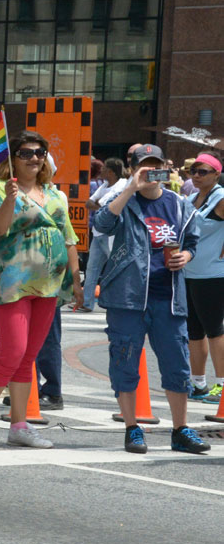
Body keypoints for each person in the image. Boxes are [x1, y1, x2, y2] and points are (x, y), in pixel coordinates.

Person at [0, 131, 84, 450]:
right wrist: (9, 200)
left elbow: (68, 237)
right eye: (27, 152)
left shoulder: (55, 194)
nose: (35, 158)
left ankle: (19, 425)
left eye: (40, 152)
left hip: (49, 283)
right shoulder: (0, 189)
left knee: (28, 355)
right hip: (10, 283)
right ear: (13, 158)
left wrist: (76, 277)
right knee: (11, 352)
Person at [93, 144, 210, 454]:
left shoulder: (179, 204)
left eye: (156, 165)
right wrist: (131, 187)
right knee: (125, 360)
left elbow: (192, 242)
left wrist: (185, 255)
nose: (151, 171)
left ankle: (180, 429)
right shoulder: (124, 200)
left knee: (177, 363)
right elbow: (101, 224)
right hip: (127, 297)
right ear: (133, 168)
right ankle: (132, 427)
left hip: (169, 297)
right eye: (145, 166)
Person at [184, 151, 224, 404]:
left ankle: (221, 386)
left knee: (215, 331)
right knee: (193, 332)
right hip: (188, 273)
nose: (196, 176)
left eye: (203, 172)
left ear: (216, 174)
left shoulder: (221, 198)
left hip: (213, 274)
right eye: (193, 172)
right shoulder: (189, 198)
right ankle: (198, 384)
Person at [79, 157, 126, 312]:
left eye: (105, 168)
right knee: (91, 269)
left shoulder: (122, 186)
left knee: (115, 268)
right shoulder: (105, 185)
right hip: (98, 233)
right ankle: (87, 303)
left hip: (111, 235)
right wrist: (100, 205)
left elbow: (107, 207)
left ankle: (120, 302)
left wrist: (99, 205)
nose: (102, 170)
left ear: (111, 172)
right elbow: (88, 203)